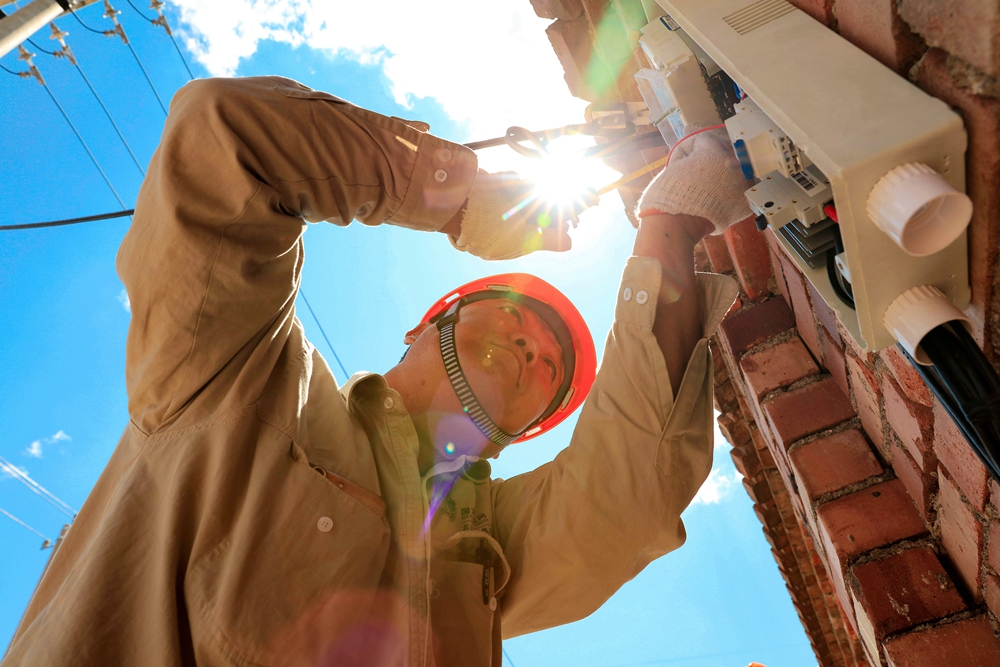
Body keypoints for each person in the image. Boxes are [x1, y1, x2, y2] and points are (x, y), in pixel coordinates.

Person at [1, 76, 749, 667]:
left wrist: (670, 225)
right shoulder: (237, 376)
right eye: (516, 315)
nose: (535, 348)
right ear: (427, 325)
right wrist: (472, 202)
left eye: (550, 367)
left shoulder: (490, 551)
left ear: (526, 429)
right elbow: (224, 135)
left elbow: (627, 493)